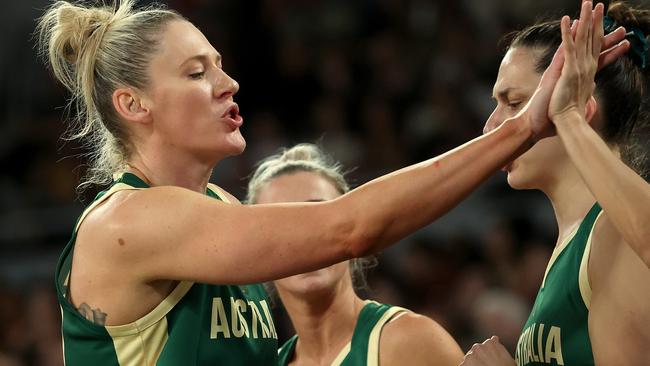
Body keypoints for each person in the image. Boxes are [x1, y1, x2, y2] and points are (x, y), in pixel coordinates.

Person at [36, 0, 626, 364]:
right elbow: (352, 227)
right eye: (196, 72)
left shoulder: (218, 206)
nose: (228, 83)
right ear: (133, 105)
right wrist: (525, 126)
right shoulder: (126, 222)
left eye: (220, 64)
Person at [461, 2, 650, 365]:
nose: (491, 126)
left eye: (513, 102)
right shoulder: (572, 244)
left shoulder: (614, 235)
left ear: (582, 106)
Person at [246, 143, 463, 365]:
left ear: (355, 231)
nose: (304, 239)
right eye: (281, 224)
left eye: (320, 217)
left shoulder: (409, 340)